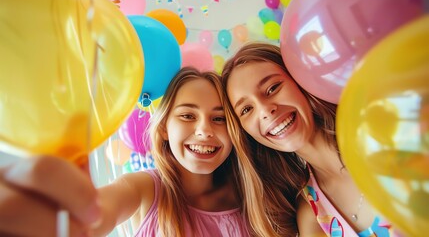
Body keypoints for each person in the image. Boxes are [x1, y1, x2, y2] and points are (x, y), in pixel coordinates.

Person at [0, 67, 276, 237]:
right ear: (165, 128)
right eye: (187, 116)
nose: (204, 130)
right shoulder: (145, 188)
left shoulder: (253, 195)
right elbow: (98, 214)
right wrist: (59, 215)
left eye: (219, 119)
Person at [221, 42, 399, 237]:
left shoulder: (384, 132)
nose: (265, 111)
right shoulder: (311, 215)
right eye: (246, 109)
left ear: (300, 80)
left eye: (272, 88)